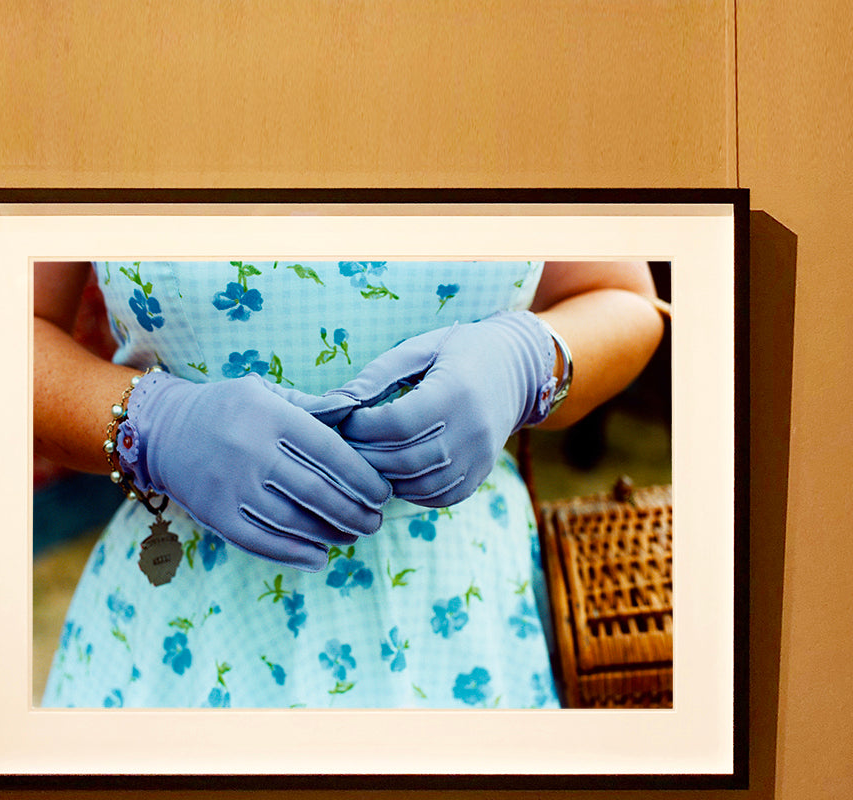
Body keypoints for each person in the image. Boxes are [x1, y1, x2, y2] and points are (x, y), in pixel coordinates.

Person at [35, 258, 663, 709]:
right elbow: (2, 325)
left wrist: (527, 359)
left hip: (467, 613)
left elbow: (623, 299)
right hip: (186, 625)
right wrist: (156, 425)